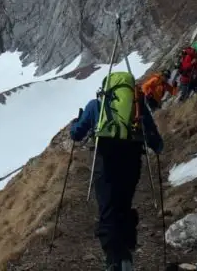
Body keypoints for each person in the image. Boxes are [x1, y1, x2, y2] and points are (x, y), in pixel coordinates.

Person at [70, 71, 164, 271]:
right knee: (123, 204)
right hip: (131, 161)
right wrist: (156, 146)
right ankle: (126, 253)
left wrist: (74, 125)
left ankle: (114, 260)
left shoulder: (96, 106)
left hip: (105, 162)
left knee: (107, 209)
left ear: (106, 90)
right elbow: (155, 140)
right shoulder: (136, 107)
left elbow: (77, 134)